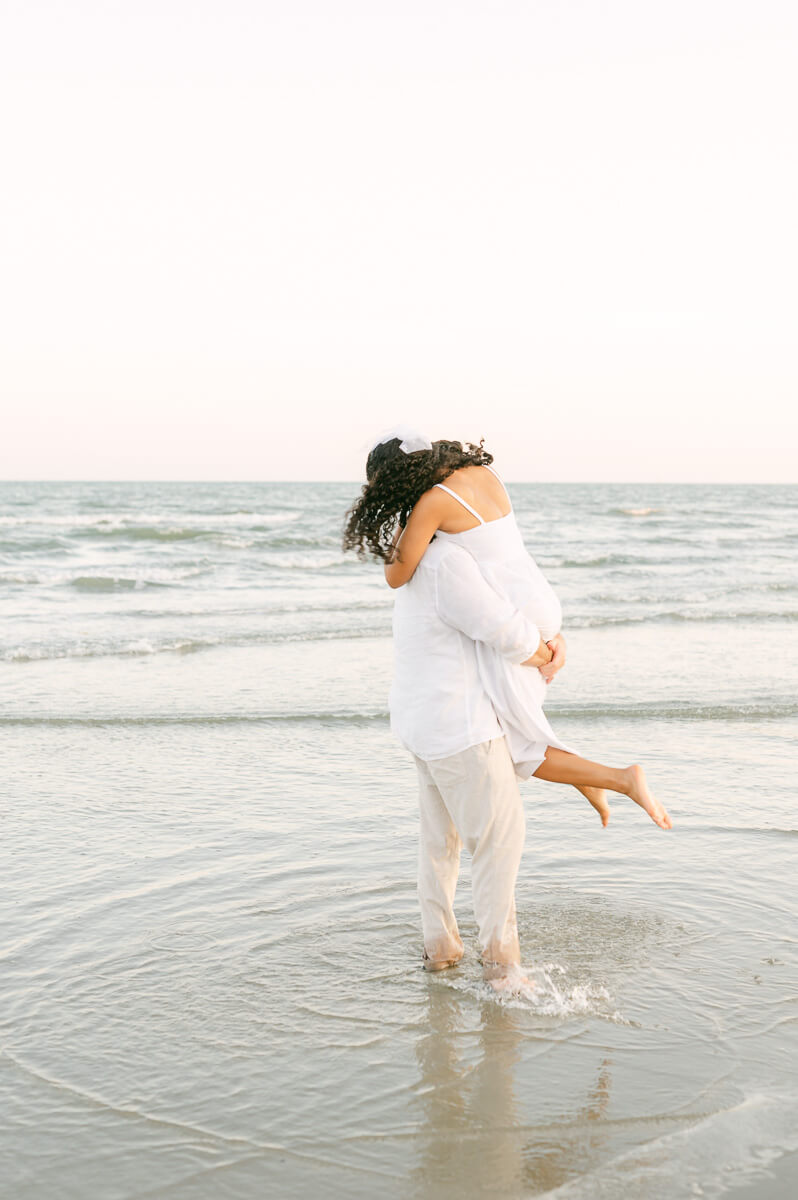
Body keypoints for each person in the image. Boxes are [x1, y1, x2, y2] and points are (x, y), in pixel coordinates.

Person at [343, 428, 671, 988]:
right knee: (499, 840)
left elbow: (405, 577)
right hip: (460, 723)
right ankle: (503, 970)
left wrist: (541, 646)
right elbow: (499, 626)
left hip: (425, 721)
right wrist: (548, 648)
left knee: (441, 842)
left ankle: (441, 947)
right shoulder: (449, 553)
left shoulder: (430, 547)